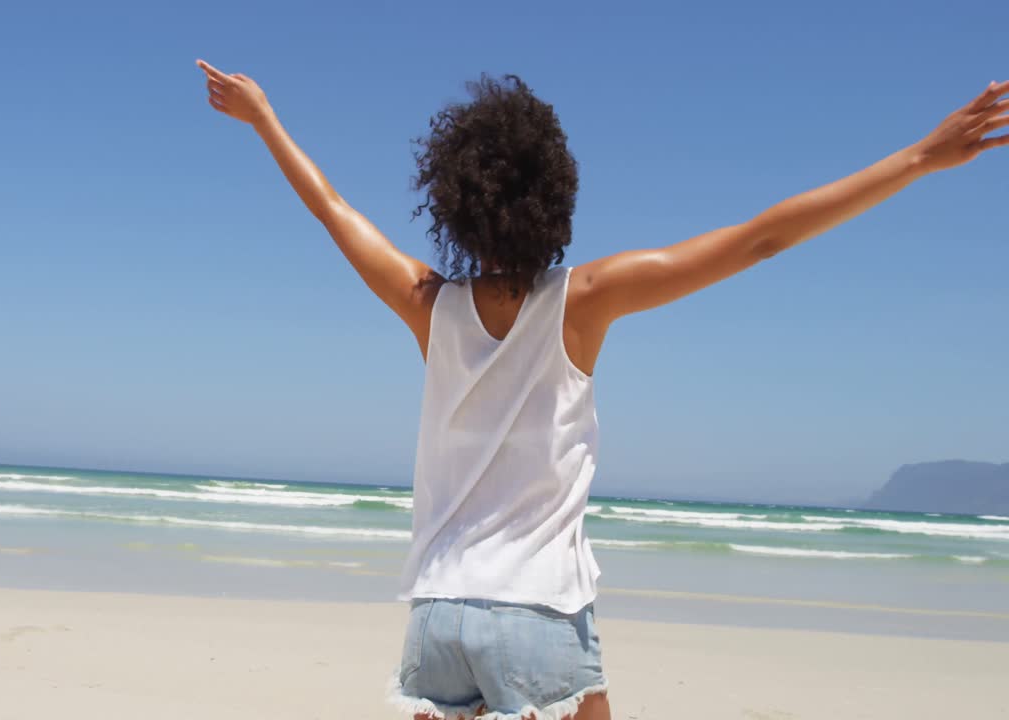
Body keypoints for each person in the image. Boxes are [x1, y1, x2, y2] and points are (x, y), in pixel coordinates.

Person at [194, 58, 1007, 720]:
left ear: (454, 201)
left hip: (436, 614)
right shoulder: (582, 299)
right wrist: (918, 159)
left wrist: (264, 119)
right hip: (538, 616)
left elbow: (334, 210)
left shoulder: (427, 305)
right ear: (554, 195)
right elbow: (758, 239)